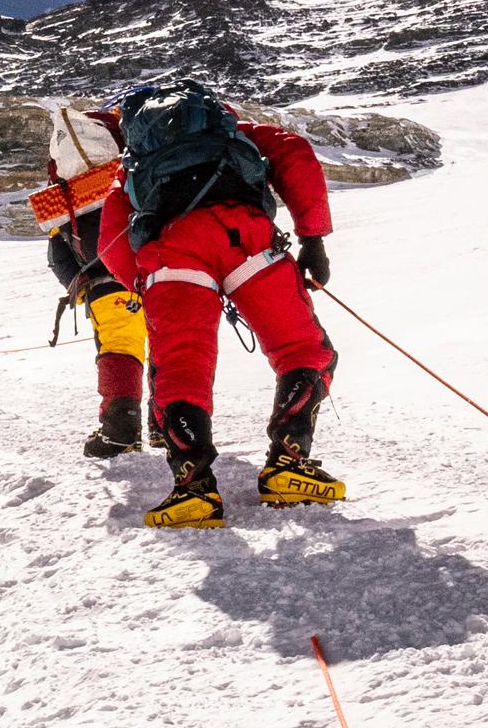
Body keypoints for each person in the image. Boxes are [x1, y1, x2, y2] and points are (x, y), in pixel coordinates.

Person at [86, 81, 343, 524]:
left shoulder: (134, 166)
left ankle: (194, 488)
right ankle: (288, 462)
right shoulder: (234, 134)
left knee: (181, 366)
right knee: (303, 349)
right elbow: (295, 154)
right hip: (248, 242)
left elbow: (111, 239)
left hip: (171, 258)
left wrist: (146, 282)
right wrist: (313, 240)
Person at [32, 106, 152, 455]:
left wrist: (80, 286)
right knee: (165, 348)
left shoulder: (65, 198)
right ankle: (169, 425)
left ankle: (120, 431)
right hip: (159, 272)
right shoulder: (133, 172)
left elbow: (58, 256)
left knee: (118, 349)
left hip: (104, 283)